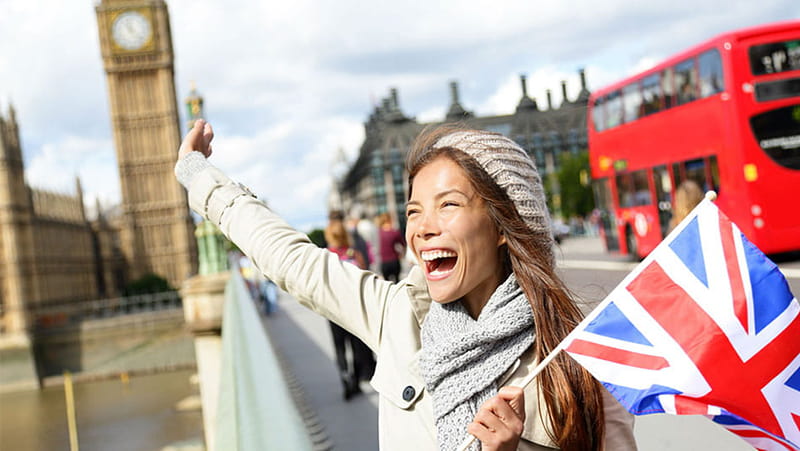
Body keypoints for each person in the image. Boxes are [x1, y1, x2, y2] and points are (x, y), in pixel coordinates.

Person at [175, 119, 636, 450]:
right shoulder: (396, 316)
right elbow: (293, 260)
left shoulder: (577, 361)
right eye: (414, 210)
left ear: (503, 224)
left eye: (447, 205)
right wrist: (201, 179)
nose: (423, 228)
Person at [323, 217, 376, 400]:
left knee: (339, 347)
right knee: (355, 345)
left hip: (332, 308)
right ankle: (355, 378)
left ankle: (345, 378)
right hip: (353, 309)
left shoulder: (327, 257)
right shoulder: (354, 254)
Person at [377, 212, 405, 282]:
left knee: (386, 283)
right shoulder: (395, 232)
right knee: (397, 281)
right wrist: (401, 254)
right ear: (390, 220)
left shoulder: (379, 233)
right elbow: (403, 245)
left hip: (384, 262)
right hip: (394, 260)